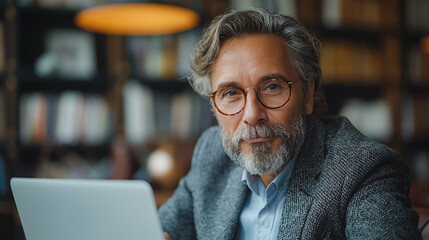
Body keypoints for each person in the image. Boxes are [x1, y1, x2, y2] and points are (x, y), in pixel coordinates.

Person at [159, 8, 420, 239]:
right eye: (230, 93)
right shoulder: (211, 153)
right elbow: (156, 229)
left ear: (307, 95)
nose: (252, 114)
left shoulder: (362, 169)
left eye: (273, 87)